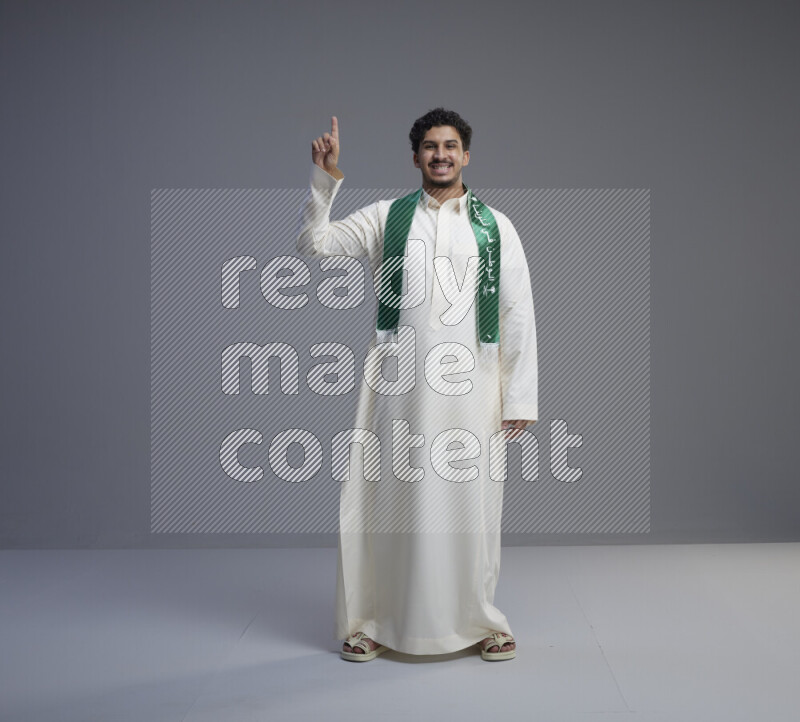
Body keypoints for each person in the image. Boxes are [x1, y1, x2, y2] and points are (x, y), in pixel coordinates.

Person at [295, 108, 538, 661]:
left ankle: (479, 620)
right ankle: (372, 622)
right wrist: (324, 179)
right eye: (430, 146)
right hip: (398, 388)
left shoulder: (495, 227)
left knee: (470, 506)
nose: (441, 155)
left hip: (472, 391)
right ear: (415, 157)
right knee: (386, 502)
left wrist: (518, 395)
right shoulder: (387, 217)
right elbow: (315, 244)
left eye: (451, 146)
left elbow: (517, 311)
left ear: (466, 155)